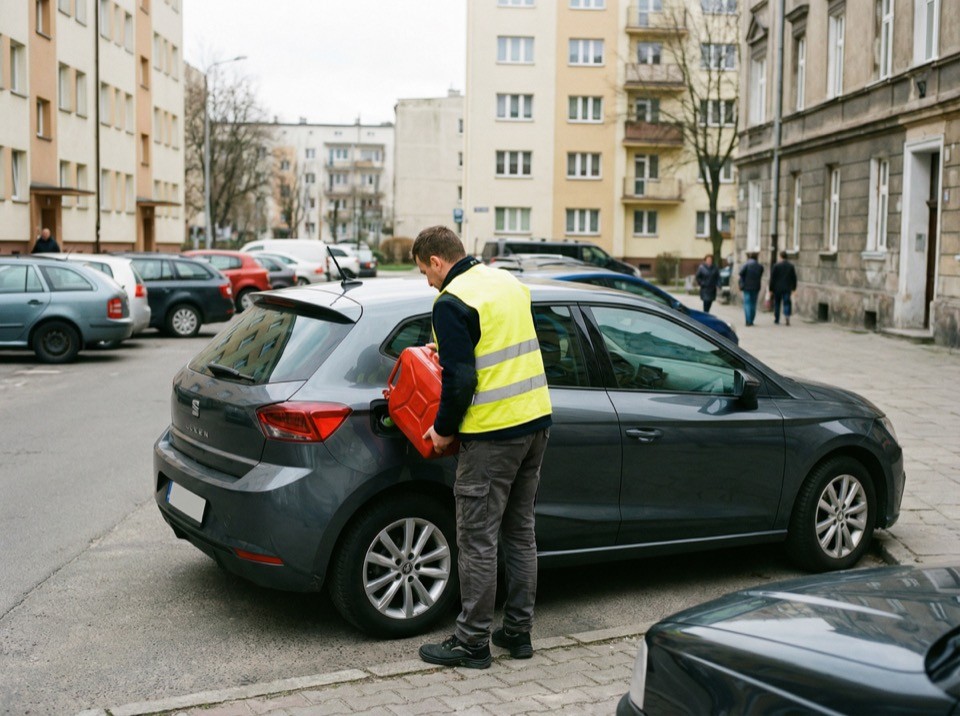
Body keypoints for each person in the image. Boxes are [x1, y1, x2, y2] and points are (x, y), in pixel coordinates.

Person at [413, 225, 552, 670]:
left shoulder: (451, 301)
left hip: (492, 435)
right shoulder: (506, 282)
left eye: (425, 272)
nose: (428, 282)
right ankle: (517, 632)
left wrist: (443, 430)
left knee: (476, 538)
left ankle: (472, 642)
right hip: (535, 423)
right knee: (519, 531)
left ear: (437, 261)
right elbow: (498, 344)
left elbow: (462, 380)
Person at [770, 250, 798, 325]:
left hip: (777, 288)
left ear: (780, 256)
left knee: (777, 304)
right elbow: (794, 278)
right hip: (787, 288)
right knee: (787, 303)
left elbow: (772, 278)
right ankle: (787, 316)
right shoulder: (790, 266)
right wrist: (794, 288)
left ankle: (777, 318)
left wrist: (771, 289)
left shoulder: (776, 266)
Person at [738, 252, 764, 326]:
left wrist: (741, 284)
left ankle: (748, 320)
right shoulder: (759, 266)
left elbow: (741, 273)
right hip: (756, 287)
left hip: (746, 286)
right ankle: (751, 320)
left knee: (747, 303)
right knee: (753, 303)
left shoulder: (746, 265)